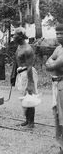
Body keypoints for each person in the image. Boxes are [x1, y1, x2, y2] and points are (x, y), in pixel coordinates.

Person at [14, 27, 37, 128]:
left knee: (29, 97)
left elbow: (29, 67)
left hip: (28, 74)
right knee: (24, 98)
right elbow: (17, 62)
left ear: (20, 36)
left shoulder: (27, 49)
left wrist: (30, 84)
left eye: (15, 35)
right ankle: (27, 120)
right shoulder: (19, 46)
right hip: (21, 73)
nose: (14, 37)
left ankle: (31, 122)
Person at [46, 23, 63, 153]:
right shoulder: (58, 48)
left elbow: (53, 65)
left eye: (61, 33)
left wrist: (53, 63)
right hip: (55, 84)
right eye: (57, 33)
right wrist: (52, 63)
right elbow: (47, 64)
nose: (59, 36)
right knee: (56, 115)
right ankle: (60, 145)